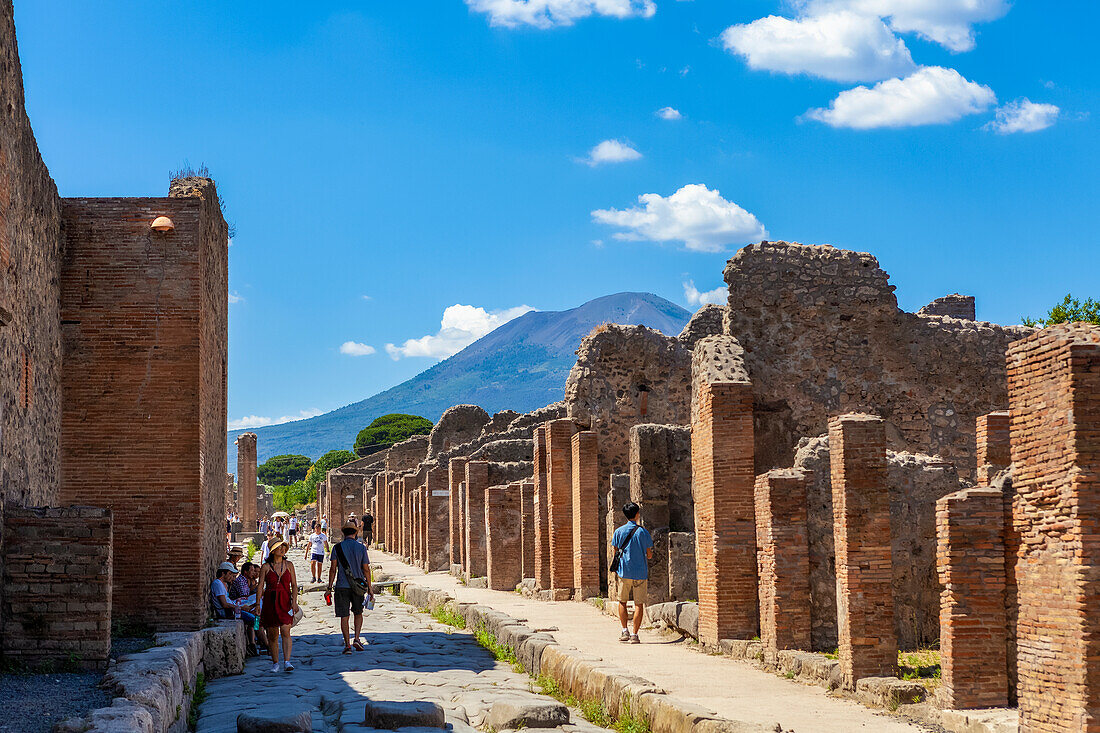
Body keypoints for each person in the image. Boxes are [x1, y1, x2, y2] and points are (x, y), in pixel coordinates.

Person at [327, 521, 374, 655]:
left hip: (342, 585)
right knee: (358, 613)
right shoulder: (361, 548)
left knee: (344, 616)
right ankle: (357, 638)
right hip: (358, 586)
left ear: (343, 533)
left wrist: (329, 587)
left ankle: (347, 644)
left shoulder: (337, 548)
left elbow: (332, 569)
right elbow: (366, 569)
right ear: (355, 533)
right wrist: (370, 587)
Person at [610, 502, 653, 644]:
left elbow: (615, 551)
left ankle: (624, 631)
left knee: (622, 601)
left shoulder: (618, 532)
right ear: (637, 514)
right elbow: (649, 555)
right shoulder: (643, 532)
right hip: (640, 572)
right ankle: (635, 634)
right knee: (638, 604)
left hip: (624, 571)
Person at [256, 537, 299, 672]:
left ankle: (287, 661)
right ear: (273, 551)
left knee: (286, 630)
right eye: (279, 547)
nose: (282, 549)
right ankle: (275, 663)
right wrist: (258, 604)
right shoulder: (266, 567)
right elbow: (260, 586)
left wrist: (294, 601)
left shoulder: (289, 565)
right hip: (270, 601)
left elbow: (294, 585)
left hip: (285, 600)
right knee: (273, 634)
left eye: (283, 547)